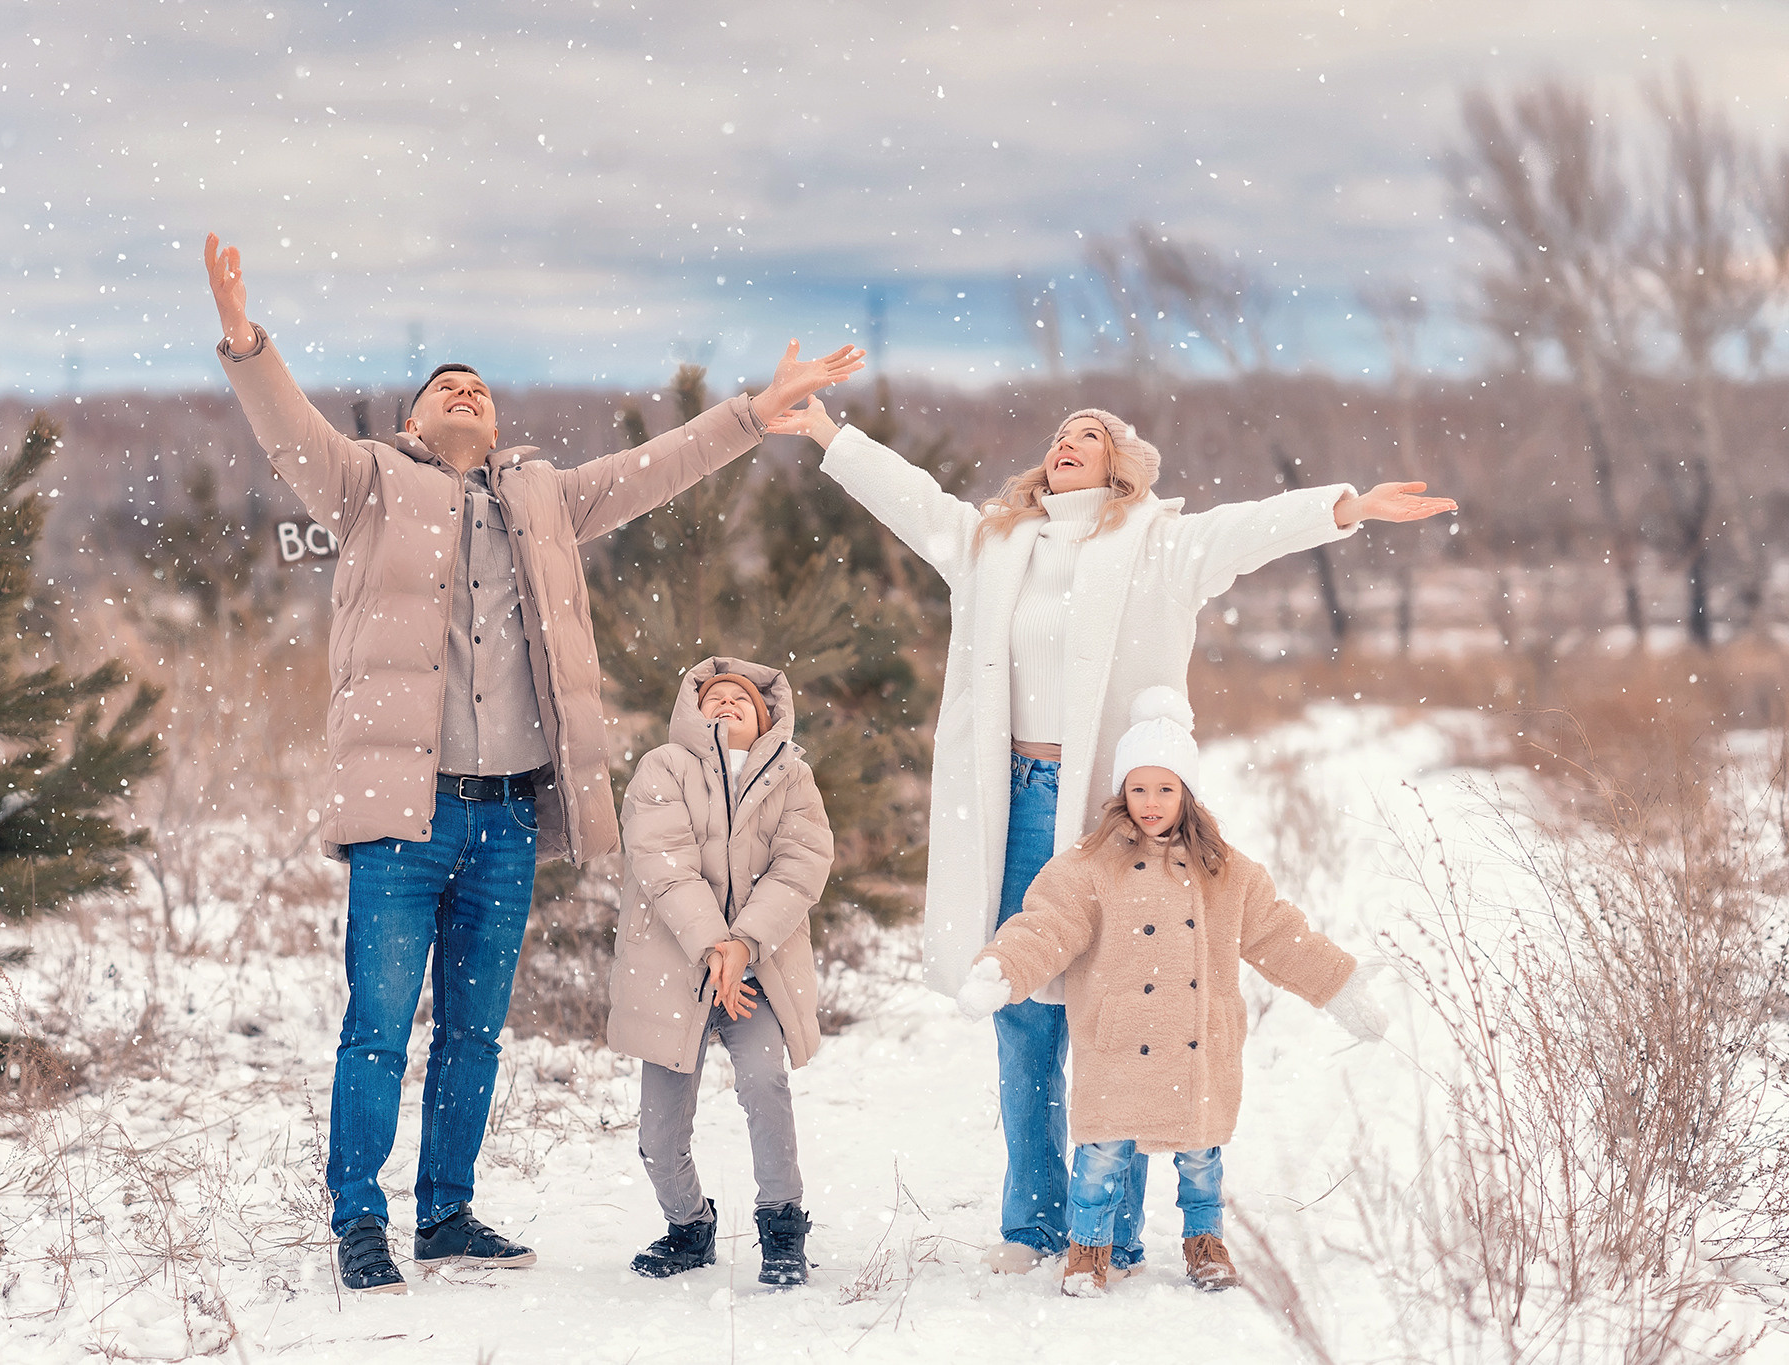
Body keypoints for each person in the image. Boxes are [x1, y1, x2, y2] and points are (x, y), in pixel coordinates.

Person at [202, 234, 862, 1292]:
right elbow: (289, 432)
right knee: (378, 1028)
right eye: (441, 387)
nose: (463, 391)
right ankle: (359, 1218)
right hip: (401, 821)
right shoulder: (366, 483)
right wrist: (244, 338)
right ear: (412, 422)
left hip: (507, 816)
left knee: (473, 1033)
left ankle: (448, 1212)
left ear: (497, 422)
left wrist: (754, 412)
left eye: (478, 386)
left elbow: (658, 467)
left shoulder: (545, 498)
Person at [768, 397, 1451, 1271]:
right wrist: (828, 431)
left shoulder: (1160, 546)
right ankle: (1033, 1222)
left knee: (1117, 1007)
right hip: (1016, 797)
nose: (1065, 443)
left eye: (1087, 436)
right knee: (1020, 1011)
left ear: (1121, 463)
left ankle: (1113, 1232)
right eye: (1058, 435)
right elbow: (914, 500)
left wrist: (1346, 506)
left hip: (1109, 814)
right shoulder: (996, 543)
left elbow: (1251, 529)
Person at [957, 688, 1387, 1293]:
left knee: (1202, 1158)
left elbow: (1278, 933)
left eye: (1165, 789)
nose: (1151, 803)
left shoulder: (1226, 872)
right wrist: (1003, 968)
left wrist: (1336, 983)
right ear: (1121, 792)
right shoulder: (1090, 864)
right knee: (1102, 1156)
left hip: (1196, 1043)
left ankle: (1204, 1245)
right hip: (1118, 1045)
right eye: (1138, 789)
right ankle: (1089, 1252)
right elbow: (1047, 925)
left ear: (1187, 791)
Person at [607, 658, 834, 1287]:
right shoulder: (663, 768)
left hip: (756, 970)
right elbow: (664, 863)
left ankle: (782, 1226)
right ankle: (688, 1226)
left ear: (767, 717)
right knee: (659, 1128)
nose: (728, 703)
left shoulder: (792, 776)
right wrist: (714, 945)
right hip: (674, 968)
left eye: (743, 698)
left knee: (765, 1084)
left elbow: (800, 866)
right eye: (715, 696)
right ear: (693, 711)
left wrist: (744, 944)